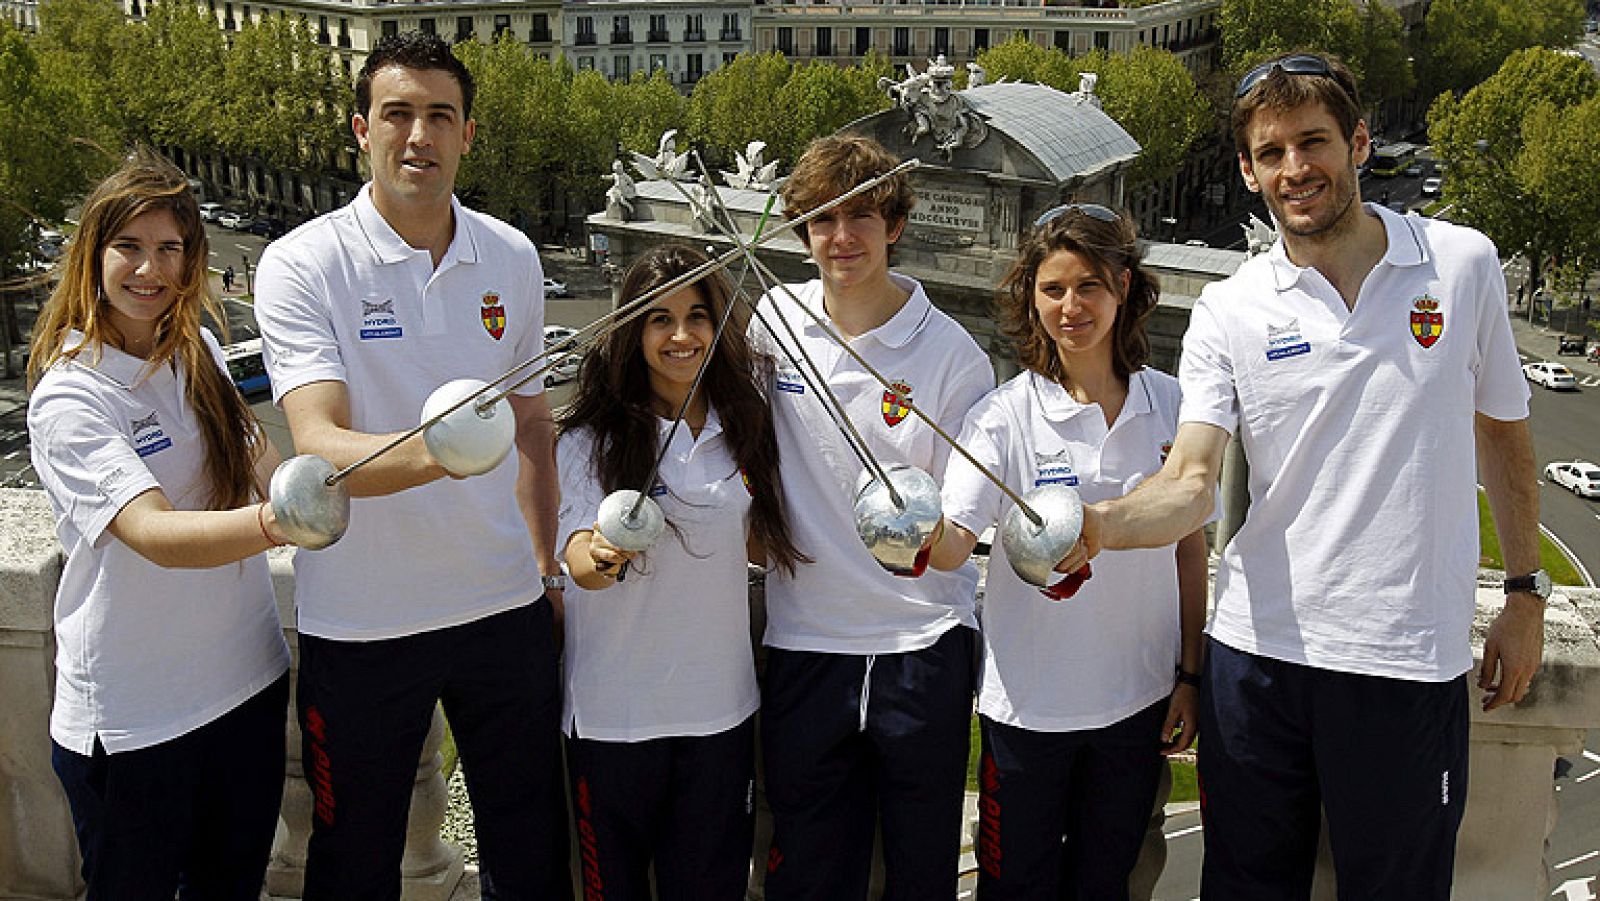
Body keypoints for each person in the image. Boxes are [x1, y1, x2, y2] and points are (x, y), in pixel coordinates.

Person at [1070, 52, 1544, 899]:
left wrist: (1523, 593)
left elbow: (1503, 436)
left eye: (1314, 142)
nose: (1298, 169)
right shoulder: (1230, 307)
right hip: (1256, 662)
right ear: (1249, 172)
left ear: (1359, 143)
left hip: (1406, 661)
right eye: (1273, 152)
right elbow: (1191, 479)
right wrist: (1097, 524)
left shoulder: (1463, 264)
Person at [252, 31, 567, 898]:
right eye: (398, 114)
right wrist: (446, 451)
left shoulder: (512, 255)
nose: (418, 135)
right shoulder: (302, 262)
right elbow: (317, 442)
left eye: (440, 115)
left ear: (468, 134)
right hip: (361, 623)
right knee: (351, 857)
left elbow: (534, 422)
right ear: (361, 129)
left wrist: (544, 566)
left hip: (502, 606)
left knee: (531, 847)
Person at [26, 150, 295, 897]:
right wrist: (280, 524)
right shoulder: (70, 397)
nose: (150, 269)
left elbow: (257, 452)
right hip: (136, 721)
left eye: (169, 249)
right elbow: (153, 533)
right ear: (93, 255)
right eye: (130, 248)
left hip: (246, 682)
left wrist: (324, 493)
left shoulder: (198, 351)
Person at [927, 203, 1206, 899]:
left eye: (1087, 286)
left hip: (1136, 703)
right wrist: (906, 531)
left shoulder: (1173, 405)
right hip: (1027, 712)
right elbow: (956, 538)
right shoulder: (999, 417)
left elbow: (1189, 549)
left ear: (1123, 286)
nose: (1070, 306)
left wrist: (1190, 675)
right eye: (1052, 289)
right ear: (1031, 298)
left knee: (1105, 886)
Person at [749, 133, 995, 900]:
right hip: (803, 639)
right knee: (809, 869)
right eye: (823, 219)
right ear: (803, 231)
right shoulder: (772, 319)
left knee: (920, 870)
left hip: (921, 646)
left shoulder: (955, 357)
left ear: (895, 224)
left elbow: (959, 525)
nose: (842, 237)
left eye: (862, 216)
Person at [555, 244, 805, 900]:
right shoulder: (589, 439)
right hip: (614, 720)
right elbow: (578, 558)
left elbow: (764, 536)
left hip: (718, 716)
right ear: (633, 331)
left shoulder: (745, 426)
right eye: (659, 319)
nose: (681, 335)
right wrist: (606, 552)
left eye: (698, 316)